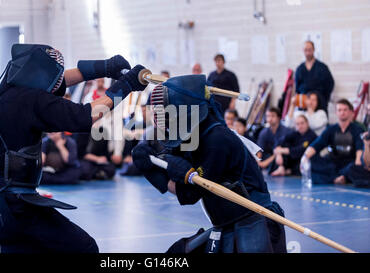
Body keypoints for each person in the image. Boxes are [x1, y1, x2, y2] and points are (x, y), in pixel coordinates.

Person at [0, 44, 148, 253]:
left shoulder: (10, 93)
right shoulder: (31, 100)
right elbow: (84, 116)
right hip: (15, 207)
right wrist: (124, 87)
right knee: (84, 249)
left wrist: (104, 68)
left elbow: (60, 82)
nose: (57, 80)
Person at [133, 75, 286, 253]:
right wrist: (148, 155)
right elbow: (173, 157)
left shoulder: (217, 140)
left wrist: (154, 174)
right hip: (226, 223)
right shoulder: (197, 131)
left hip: (255, 223)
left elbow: (190, 193)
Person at [302, 99, 364, 184]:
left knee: (354, 169)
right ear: (336, 112)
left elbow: (359, 151)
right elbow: (317, 144)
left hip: (349, 164)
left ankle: (341, 177)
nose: (342, 112)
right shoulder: (331, 129)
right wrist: (305, 158)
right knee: (311, 162)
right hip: (332, 164)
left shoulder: (357, 129)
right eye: (339, 110)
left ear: (350, 112)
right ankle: (336, 179)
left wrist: (357, 167)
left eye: (345, 110)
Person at [295, 41, 334, 112]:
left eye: (309, 50)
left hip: (320, 104)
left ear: (313, 50)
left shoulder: (322, 67)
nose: (307, 53)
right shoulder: (299, 69)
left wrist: (324, 100)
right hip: (304, 105)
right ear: (303, 51)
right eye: (305, 50)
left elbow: (330, 84)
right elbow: (297, 89)